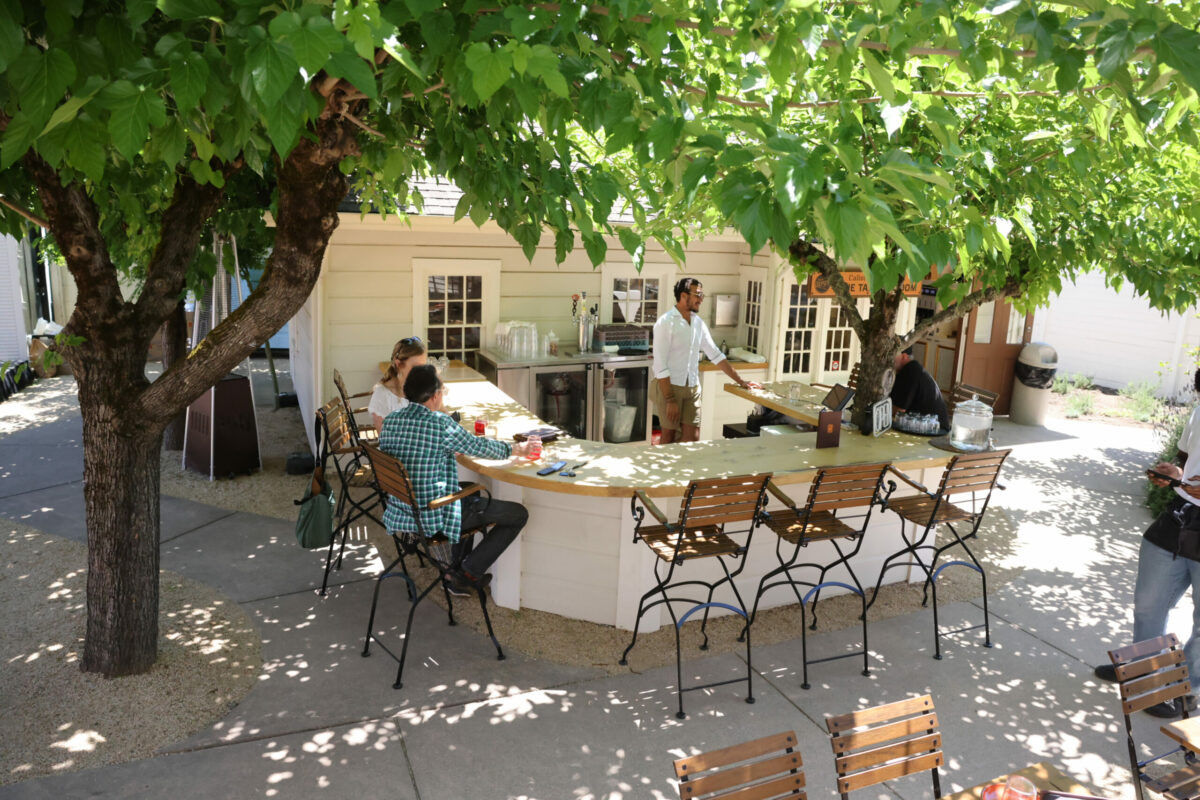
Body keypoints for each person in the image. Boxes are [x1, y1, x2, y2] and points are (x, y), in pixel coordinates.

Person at [1093, 368, 1200, 718]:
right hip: (1180, 516)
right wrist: (1173, 473)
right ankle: (1141, 670)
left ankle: (1186, 688)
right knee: (1149, 604)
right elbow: (1187, 459)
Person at [379, 364, 532, 592]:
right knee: (518, 514)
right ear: (435, 396)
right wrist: (516, 450)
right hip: (432, 516)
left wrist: (445, 449)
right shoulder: (440, 424)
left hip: (401, 510)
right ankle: (468, 572)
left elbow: (412, 453)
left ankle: (453, 571)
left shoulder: (391, 421)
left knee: (471, 489)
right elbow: (478, 445)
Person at [651, 277, 759, 444]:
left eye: (702, 294)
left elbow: (715, 355)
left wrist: (741, 381)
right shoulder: (665, 323)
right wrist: (670, 399)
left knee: (692, 440)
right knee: (668, 438)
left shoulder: (698, 323)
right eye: (697, 294)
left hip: (693, 389)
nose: (701, 299)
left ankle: (685, 470)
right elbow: (659, 366)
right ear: (683, 295)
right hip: (670, 387)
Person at [369, 336, 427, 433]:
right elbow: (384, 440)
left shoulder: (420, 387)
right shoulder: (382, 395)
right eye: (416, 367)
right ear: (398, 364)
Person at [890, 346, 949, 432]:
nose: (889, 359)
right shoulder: (908, 370)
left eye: (892, 355)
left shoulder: (911, 370)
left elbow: (899, 411)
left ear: (904, 356)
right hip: (927, 428)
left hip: (935, 430)